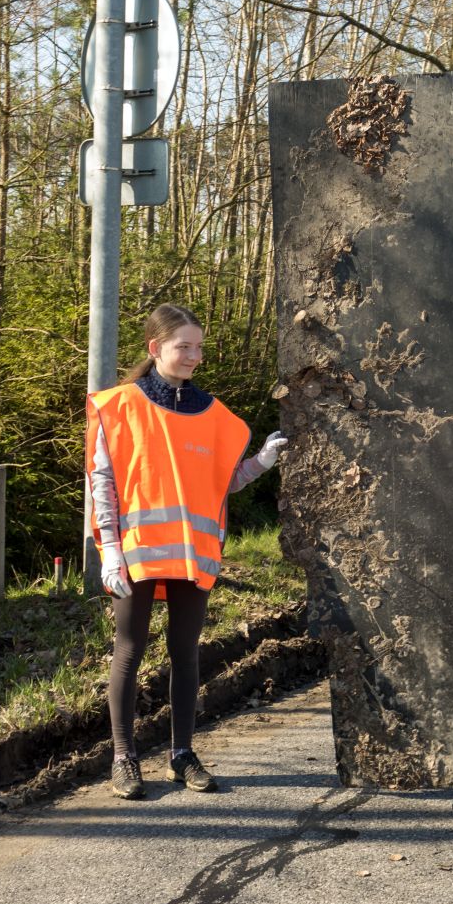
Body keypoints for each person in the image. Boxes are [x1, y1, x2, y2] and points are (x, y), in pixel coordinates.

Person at [86, 303, 287, 800]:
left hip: (193, 555)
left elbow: (224, 483)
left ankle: (181, 754)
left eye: (199, 347)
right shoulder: (119, 406)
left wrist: (262, 460)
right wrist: (109, 549)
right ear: (155, 349)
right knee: (129, 650)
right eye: (184, 347)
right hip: (135, 553)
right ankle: (123, 757)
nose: (195, 356)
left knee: (185, 653)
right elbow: (102, 483)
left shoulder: (214, 415)